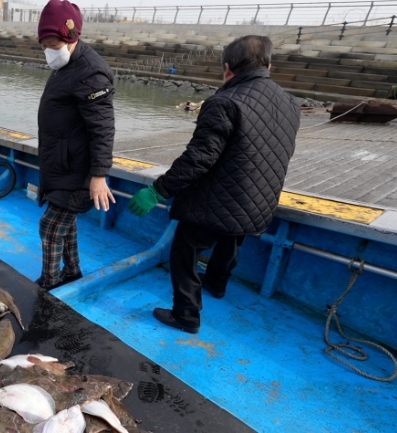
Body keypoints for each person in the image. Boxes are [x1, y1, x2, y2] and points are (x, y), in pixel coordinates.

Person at [129, 35, 300, 334]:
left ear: (227, 68)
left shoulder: (224, 102)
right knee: (232, 236)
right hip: (260, 202)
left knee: (185, 249)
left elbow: (199, 157)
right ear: (269, 65)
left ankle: (186, 315)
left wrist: (158, 190)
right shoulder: (290, 103)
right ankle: (217, 286)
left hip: (221, 200)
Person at [35, 0, 116, 291]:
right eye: (44, 43)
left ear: (71, 37)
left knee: (50, 227)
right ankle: (72, 271)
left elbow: (103, 128)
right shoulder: (66, 64)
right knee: (64, 227)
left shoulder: (91, 72)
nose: (49, 50)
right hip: (62, 163)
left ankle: (50, 283)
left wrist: (98, 175)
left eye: (53, 43)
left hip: (78, 169)